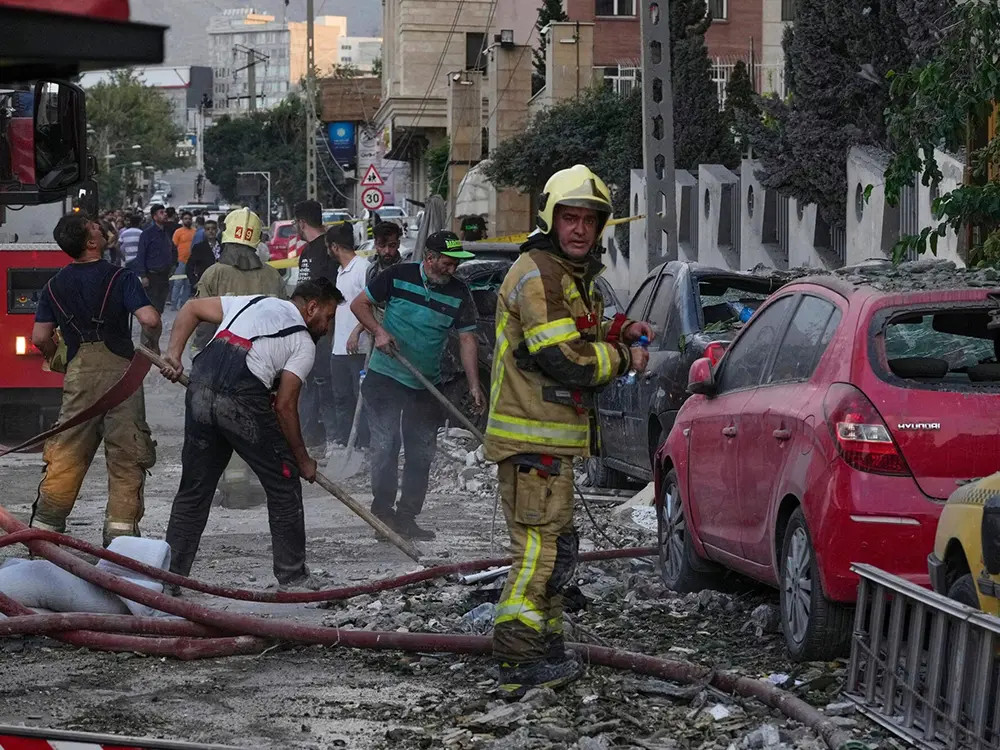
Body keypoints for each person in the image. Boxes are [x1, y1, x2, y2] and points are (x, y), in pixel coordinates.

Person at [485, 165, 653, 698]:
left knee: (555, 546)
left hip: (550, 442)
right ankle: (517, 659)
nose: (580, 228)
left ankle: (546, 648)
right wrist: (625, 354)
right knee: (537, 549)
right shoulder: (538, 273)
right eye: (570, 217)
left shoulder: (564, 274)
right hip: (533, 439)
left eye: (589, 219)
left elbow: (576, 326)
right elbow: (564, 357)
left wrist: (617, 327)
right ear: (550, 218)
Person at [158, 278, 343, 592]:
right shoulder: (302, 342)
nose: (327, 327)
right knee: (284, 484)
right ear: (311, 308)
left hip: (201, 391)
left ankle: (170, 578)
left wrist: (174, 354)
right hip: (240, 402)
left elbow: (191, 308)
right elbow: (285, 406)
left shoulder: (252, 300)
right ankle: (293, 577)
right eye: (328, 317)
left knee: (194, 490)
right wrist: (301, 460)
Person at [29, 212, 162, 546]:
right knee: (127, 458)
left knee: (67, 456)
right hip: (123, 379)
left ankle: (43, 537)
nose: (102, 230)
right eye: (95, 228)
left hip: (79, 376)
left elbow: (39, 337)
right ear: (91, 242)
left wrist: (59, 359)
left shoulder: (53, 285)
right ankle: (121, 544)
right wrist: (152, 347)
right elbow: (149, 318)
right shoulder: (122, 277)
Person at [350, 231, 483, 541]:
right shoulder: (398, 276)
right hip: (385, 378)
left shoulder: (460, 293)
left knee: (421, 453)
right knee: (385, 447)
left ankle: (407, 517)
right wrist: (379, 333)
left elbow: (467, 339)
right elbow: (359, 305)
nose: (453, 270)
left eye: (455, 265)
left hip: (425, 386)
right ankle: (383, 515)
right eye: (448, 264)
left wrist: (475, 384)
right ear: (430, 259)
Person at [193, 208, 285, 350]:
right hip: (267, 354)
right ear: (258, 238)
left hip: (225, 354)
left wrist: (199, 354)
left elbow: (204, 324)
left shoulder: (213, 274)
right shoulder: (273, 275)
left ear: (225, 234)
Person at [293, 200, 337, 453]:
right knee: (306, 382)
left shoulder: (327, 250)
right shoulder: (307, 252)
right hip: (305, 332)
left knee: (324, 383)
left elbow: (334, 294)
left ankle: (332, 439)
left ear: (302, 222)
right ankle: (308, 437)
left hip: (325, 332)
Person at [327, 223, 370, 451]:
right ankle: (346, 445)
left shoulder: (363, 268)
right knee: (341, 398)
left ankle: (363, 445)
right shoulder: (340, 272)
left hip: (359, 348)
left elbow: (373, 305)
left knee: (359, 400)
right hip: (339, 349)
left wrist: (357, 331)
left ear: (335, 247)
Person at [135, 204, 175, 314]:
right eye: (161, 212)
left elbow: (173, 250)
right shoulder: (147, 234)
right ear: (155, 217)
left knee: (160, 307)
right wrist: (143, 276)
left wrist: (173, 266)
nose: (165, 214)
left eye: (165, 212)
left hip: (164, 276)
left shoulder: (167, 232)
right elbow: (141, 255)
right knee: (152, 307)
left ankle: (156, 329)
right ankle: (148, 330)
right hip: (152, 276)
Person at [170, 210, 196, 310]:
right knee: (178, 283)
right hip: (180, 261)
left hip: (191, 263)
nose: (188, 220)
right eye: (185, 219)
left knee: (188, 284)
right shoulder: (178, 232)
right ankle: (174, 304)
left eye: (189, 219)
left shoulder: (195, 232)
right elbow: (173, 247)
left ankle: (183, 305)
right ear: (182, 220)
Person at [186, 218, 220, 291]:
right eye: (208, 229)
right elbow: (189, 267)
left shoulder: (223, 246)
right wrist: (194, 282)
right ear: (204, 231)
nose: (211, 231)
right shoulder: (199, 248)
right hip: (204, 283)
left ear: (217, 230)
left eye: (213, 229)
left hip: (221, 284)